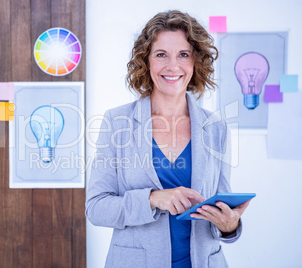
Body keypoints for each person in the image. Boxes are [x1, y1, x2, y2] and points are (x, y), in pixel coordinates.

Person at [85, 10, 251, 268]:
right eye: (161, 54)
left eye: (183, 55)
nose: (173, 66)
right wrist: (152, 198)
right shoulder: (118, 123)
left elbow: (220, 205)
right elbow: (96, 208)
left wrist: (230, 225)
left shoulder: (215, 127)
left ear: (196, 62)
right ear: (146, 61)